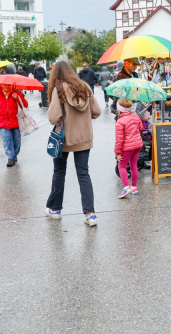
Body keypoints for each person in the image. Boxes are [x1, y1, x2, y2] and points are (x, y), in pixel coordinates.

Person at [45, 61, 102, 227]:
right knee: (84, 174)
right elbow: (97, 111)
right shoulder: (84, 86)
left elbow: (53, 118)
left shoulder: (59, 90)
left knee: (59, 172)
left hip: (64, 139)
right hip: (84, 138)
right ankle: (90, 214)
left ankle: (55, 210)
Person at [0, 83, 28, 167]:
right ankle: (10, 157)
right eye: (4, 84)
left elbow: (25, 105)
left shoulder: (18, 93)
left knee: (17, 141)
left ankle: (14, 155)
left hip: (16, 122)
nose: (6, 86)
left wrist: (17, 98)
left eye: (8, 85)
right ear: (1, 85)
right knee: (7, 140)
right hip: (2, 122)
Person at [114, 97, 144, 198]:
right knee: (133, 165)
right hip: (137, 145)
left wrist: (117, 153)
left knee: (121, 166)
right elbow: (141, 128)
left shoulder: (120, 122)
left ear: (119, 109)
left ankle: (126, 187)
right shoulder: (135, 117)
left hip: (127, 147)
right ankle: (134, 187)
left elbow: (119, 140)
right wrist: (137, 119)